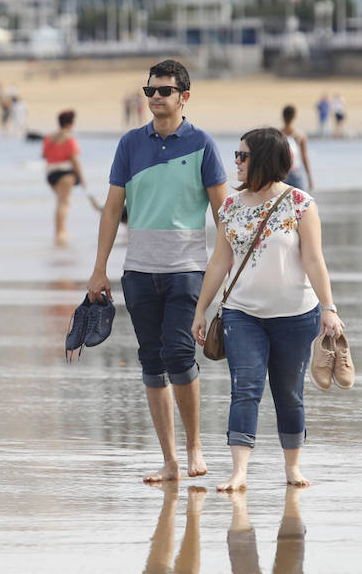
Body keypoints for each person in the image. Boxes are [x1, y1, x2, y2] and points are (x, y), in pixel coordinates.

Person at [86, 59, 227, 483]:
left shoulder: (202, 143)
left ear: (184, 96)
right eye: (150, 91)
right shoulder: (130, 144)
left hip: (187, 269)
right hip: (139, 271)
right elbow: (113, 210)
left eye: (164, 91)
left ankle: (194, 446)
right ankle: (169, 460)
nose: (155, 98)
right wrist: (99, 270)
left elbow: (224, 215)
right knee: (151, 362)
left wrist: (228, 276)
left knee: (181, 356)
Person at [191, 127, 345, 491]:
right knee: (245, 386)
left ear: (263, 159)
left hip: (296, 314)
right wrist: (201, 309)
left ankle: (292, 467)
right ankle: (239, 471)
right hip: (242, 314)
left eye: (243, 156)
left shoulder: (301, 204)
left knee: (289, 392)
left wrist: (329, 308)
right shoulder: (229, 206)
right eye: (237, 155)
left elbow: (314, 260)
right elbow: (219, 262)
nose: (236, 162)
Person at [42, 110, 86, 246]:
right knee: (64, 202)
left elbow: (44, 155)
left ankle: (59, 230)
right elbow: (74, 160)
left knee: (60, 202)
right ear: (70, 123)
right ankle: (61, 231)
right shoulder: (69, 138)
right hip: (65, 173)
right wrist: (82, 178)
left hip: (50, 173)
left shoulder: (49, 138)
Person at [280, 105, 314, 191]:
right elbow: (304, 157)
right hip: (295, 173)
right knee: (300, 201)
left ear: (282, 116)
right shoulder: (299, 135)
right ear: (294, 117)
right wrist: (309, 178)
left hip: (281, 173)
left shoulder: (277, 135)